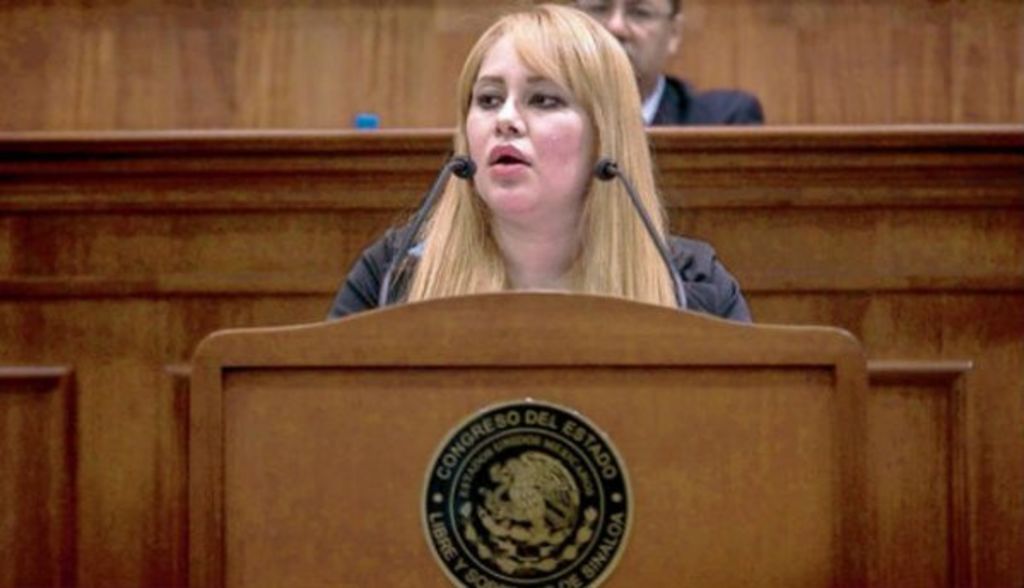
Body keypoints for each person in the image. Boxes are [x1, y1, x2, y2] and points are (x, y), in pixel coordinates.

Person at [327, 4, 750, 322]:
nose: (506, 119)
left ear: (606, 135)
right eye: (488, 99)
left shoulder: (692, 288)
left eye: (544, 100)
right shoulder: (396, 274)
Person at [573, 0, 764, 125]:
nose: (616, 27)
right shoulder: (555, 119)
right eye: (598, 8)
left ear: (674, 33)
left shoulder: (721, 122)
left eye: (640, 13)